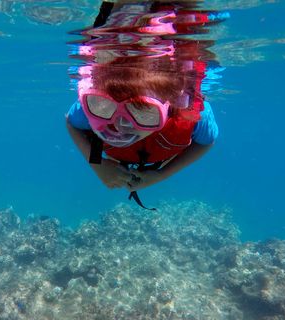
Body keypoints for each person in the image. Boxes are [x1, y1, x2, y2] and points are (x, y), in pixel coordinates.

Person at [66, 0, 223, 208]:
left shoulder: (189, 114)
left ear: (173, 105)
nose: (120, 125)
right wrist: (96, 162)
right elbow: (72, 122)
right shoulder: (97, 104)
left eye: (144, 113)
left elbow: (206, 141)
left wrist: (161, 175)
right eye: (103, 108)